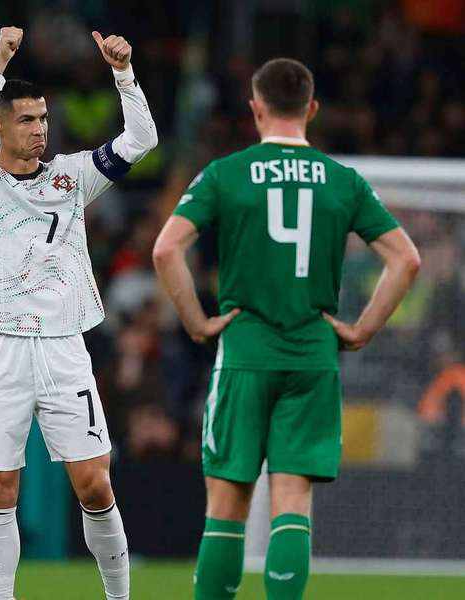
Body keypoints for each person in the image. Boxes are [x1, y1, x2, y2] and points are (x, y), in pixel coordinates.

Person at [152, 58, 421, 600]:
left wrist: (198, 321)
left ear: (255, 109)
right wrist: (362, 328)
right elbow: (406, 260)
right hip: (312, 355)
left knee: (226, 503)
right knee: (292, 500)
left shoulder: (226, 173)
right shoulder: (343, 180)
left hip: (246, 350)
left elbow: (166, 249)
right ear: (312, 110)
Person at [0, 26, 157, 600]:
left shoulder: (72, 177)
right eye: (26, 119)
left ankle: (119, 596)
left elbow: (141, 139)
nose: (40, 129)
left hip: (65, 347)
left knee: (94, 483)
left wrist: (124, 74)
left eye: (43, 118)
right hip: (0, 347)